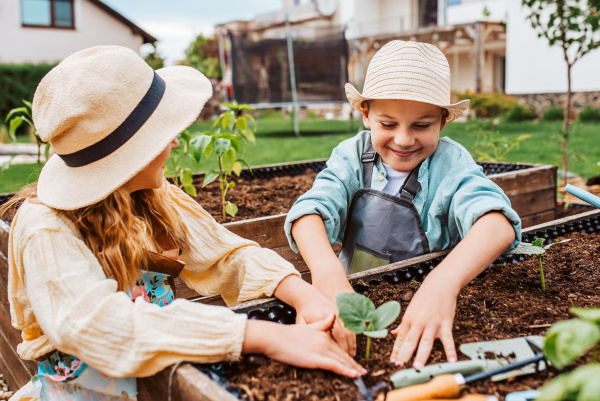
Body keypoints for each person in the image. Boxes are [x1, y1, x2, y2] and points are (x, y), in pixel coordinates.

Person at [3, 46, 365, 401]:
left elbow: (226, 256)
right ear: (127, 156)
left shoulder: (152, 196)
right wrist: (265, 336)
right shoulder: (46, 228)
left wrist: (303, 296)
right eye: (162, 136)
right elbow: (98, 326)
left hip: (159, 379)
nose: (175, 141)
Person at [285, 41, 521, 369]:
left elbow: (497, 224)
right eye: (388, 124)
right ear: (366, 115)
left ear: (442, 121)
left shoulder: (451, 167)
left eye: (422, 126)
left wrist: (442, 284)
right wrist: (327, 274)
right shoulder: (352, 157)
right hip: (351, 296)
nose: (404, 139)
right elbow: (309, 212)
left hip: (426, 302)